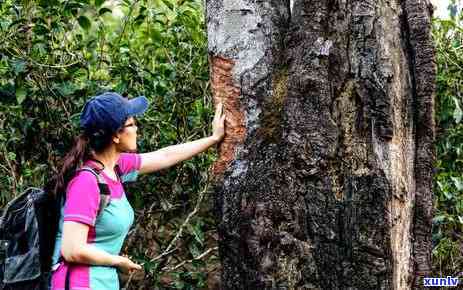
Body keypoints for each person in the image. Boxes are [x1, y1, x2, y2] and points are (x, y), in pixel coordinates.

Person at [49, 92, 226, 290]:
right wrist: (117, 261)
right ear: (116, 135)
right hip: (79, 283)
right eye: (132, 124)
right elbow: (72, 249)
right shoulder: (86, 181)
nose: (137, 129)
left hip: (101, 281)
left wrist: (213, 138)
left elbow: (165, 156)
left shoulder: (115, 166)